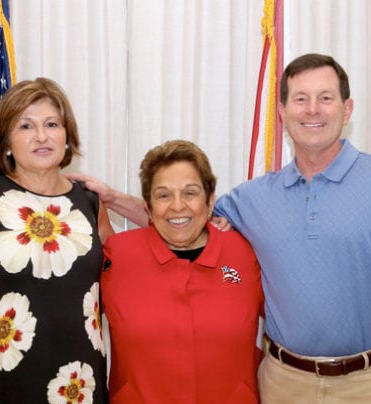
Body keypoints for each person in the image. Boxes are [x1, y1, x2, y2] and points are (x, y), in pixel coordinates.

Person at [70, 53, 371, 403]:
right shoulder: (254, 198)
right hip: (284, 382)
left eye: (325, 98)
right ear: (283, 112)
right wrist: (112, 197)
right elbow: (182, 217)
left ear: (347, 109)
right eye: (300, 99)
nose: (312, 110)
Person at [0, 77, 114, 403]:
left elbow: (126, 287)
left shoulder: (90, 204)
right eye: (26, 126)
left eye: (52, 124)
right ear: (6, 144)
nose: (41, 136)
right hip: (1, 388)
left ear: (67, 136)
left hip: (79, 388)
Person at [100, 140, 263, 403]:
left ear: (210, 201)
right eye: (163, 195)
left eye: (190, 193)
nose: (177, 206)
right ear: (148, 207)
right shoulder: (116, 256)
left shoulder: (246, 252)